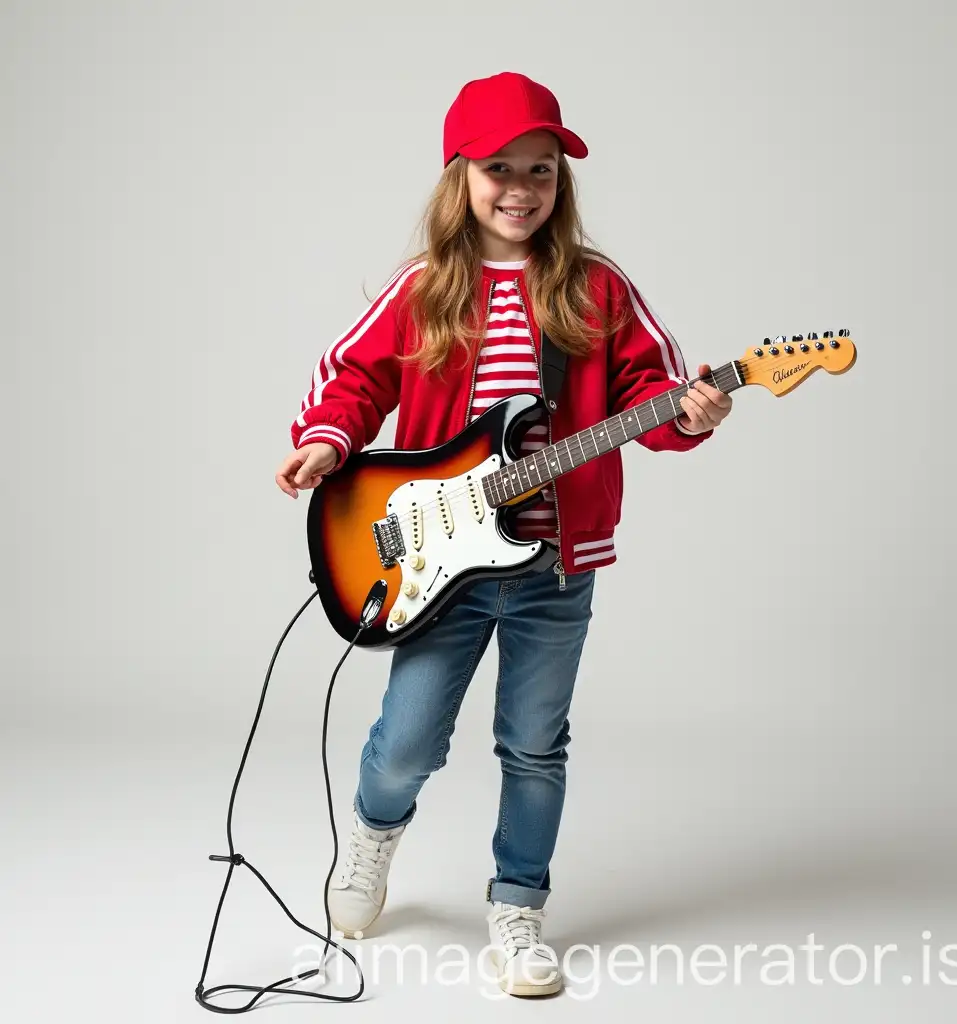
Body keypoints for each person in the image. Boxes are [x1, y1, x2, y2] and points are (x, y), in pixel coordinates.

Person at [274, 71, 733, 997]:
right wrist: (328, 442)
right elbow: (352, 377)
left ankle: (519, 905)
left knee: (534, 742)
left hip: (555, 569)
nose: (522, 189)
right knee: (407, 739)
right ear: (460, 176)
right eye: (499, 170)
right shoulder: (425, 287)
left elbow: (653, 393)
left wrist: (690, 413)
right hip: (439, 560)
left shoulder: (597, 289)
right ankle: (371, 834)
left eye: (542, 170)